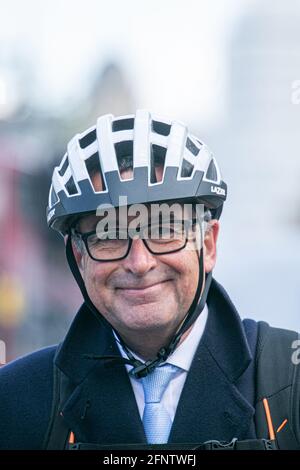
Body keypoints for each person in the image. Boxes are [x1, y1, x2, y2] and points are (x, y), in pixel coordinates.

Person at [0, 109, 299, 451]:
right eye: (108, 235)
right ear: (79, 258)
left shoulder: (289, 384)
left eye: (163, 229)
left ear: (208, 244)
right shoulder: (15, 402)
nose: (139, 263)